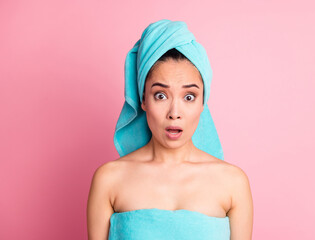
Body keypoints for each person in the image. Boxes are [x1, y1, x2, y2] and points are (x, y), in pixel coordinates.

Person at [87, 19, 253, 240]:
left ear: (203, 103)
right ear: (143, 99)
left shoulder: (233, 183)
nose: (175, 112)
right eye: (161, 95)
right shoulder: (109, 179)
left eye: (189, 97)